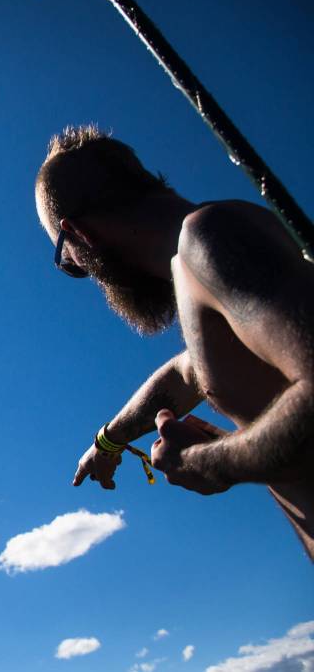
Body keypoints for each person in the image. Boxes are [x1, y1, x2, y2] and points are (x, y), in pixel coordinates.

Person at [35, 125, 314, 559]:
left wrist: (210, 463)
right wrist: (107, 441)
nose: (81, 274)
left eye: (67, 261)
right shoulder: (201, 258)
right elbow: (190, 374)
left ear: (81, 235)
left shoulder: (211, 238)